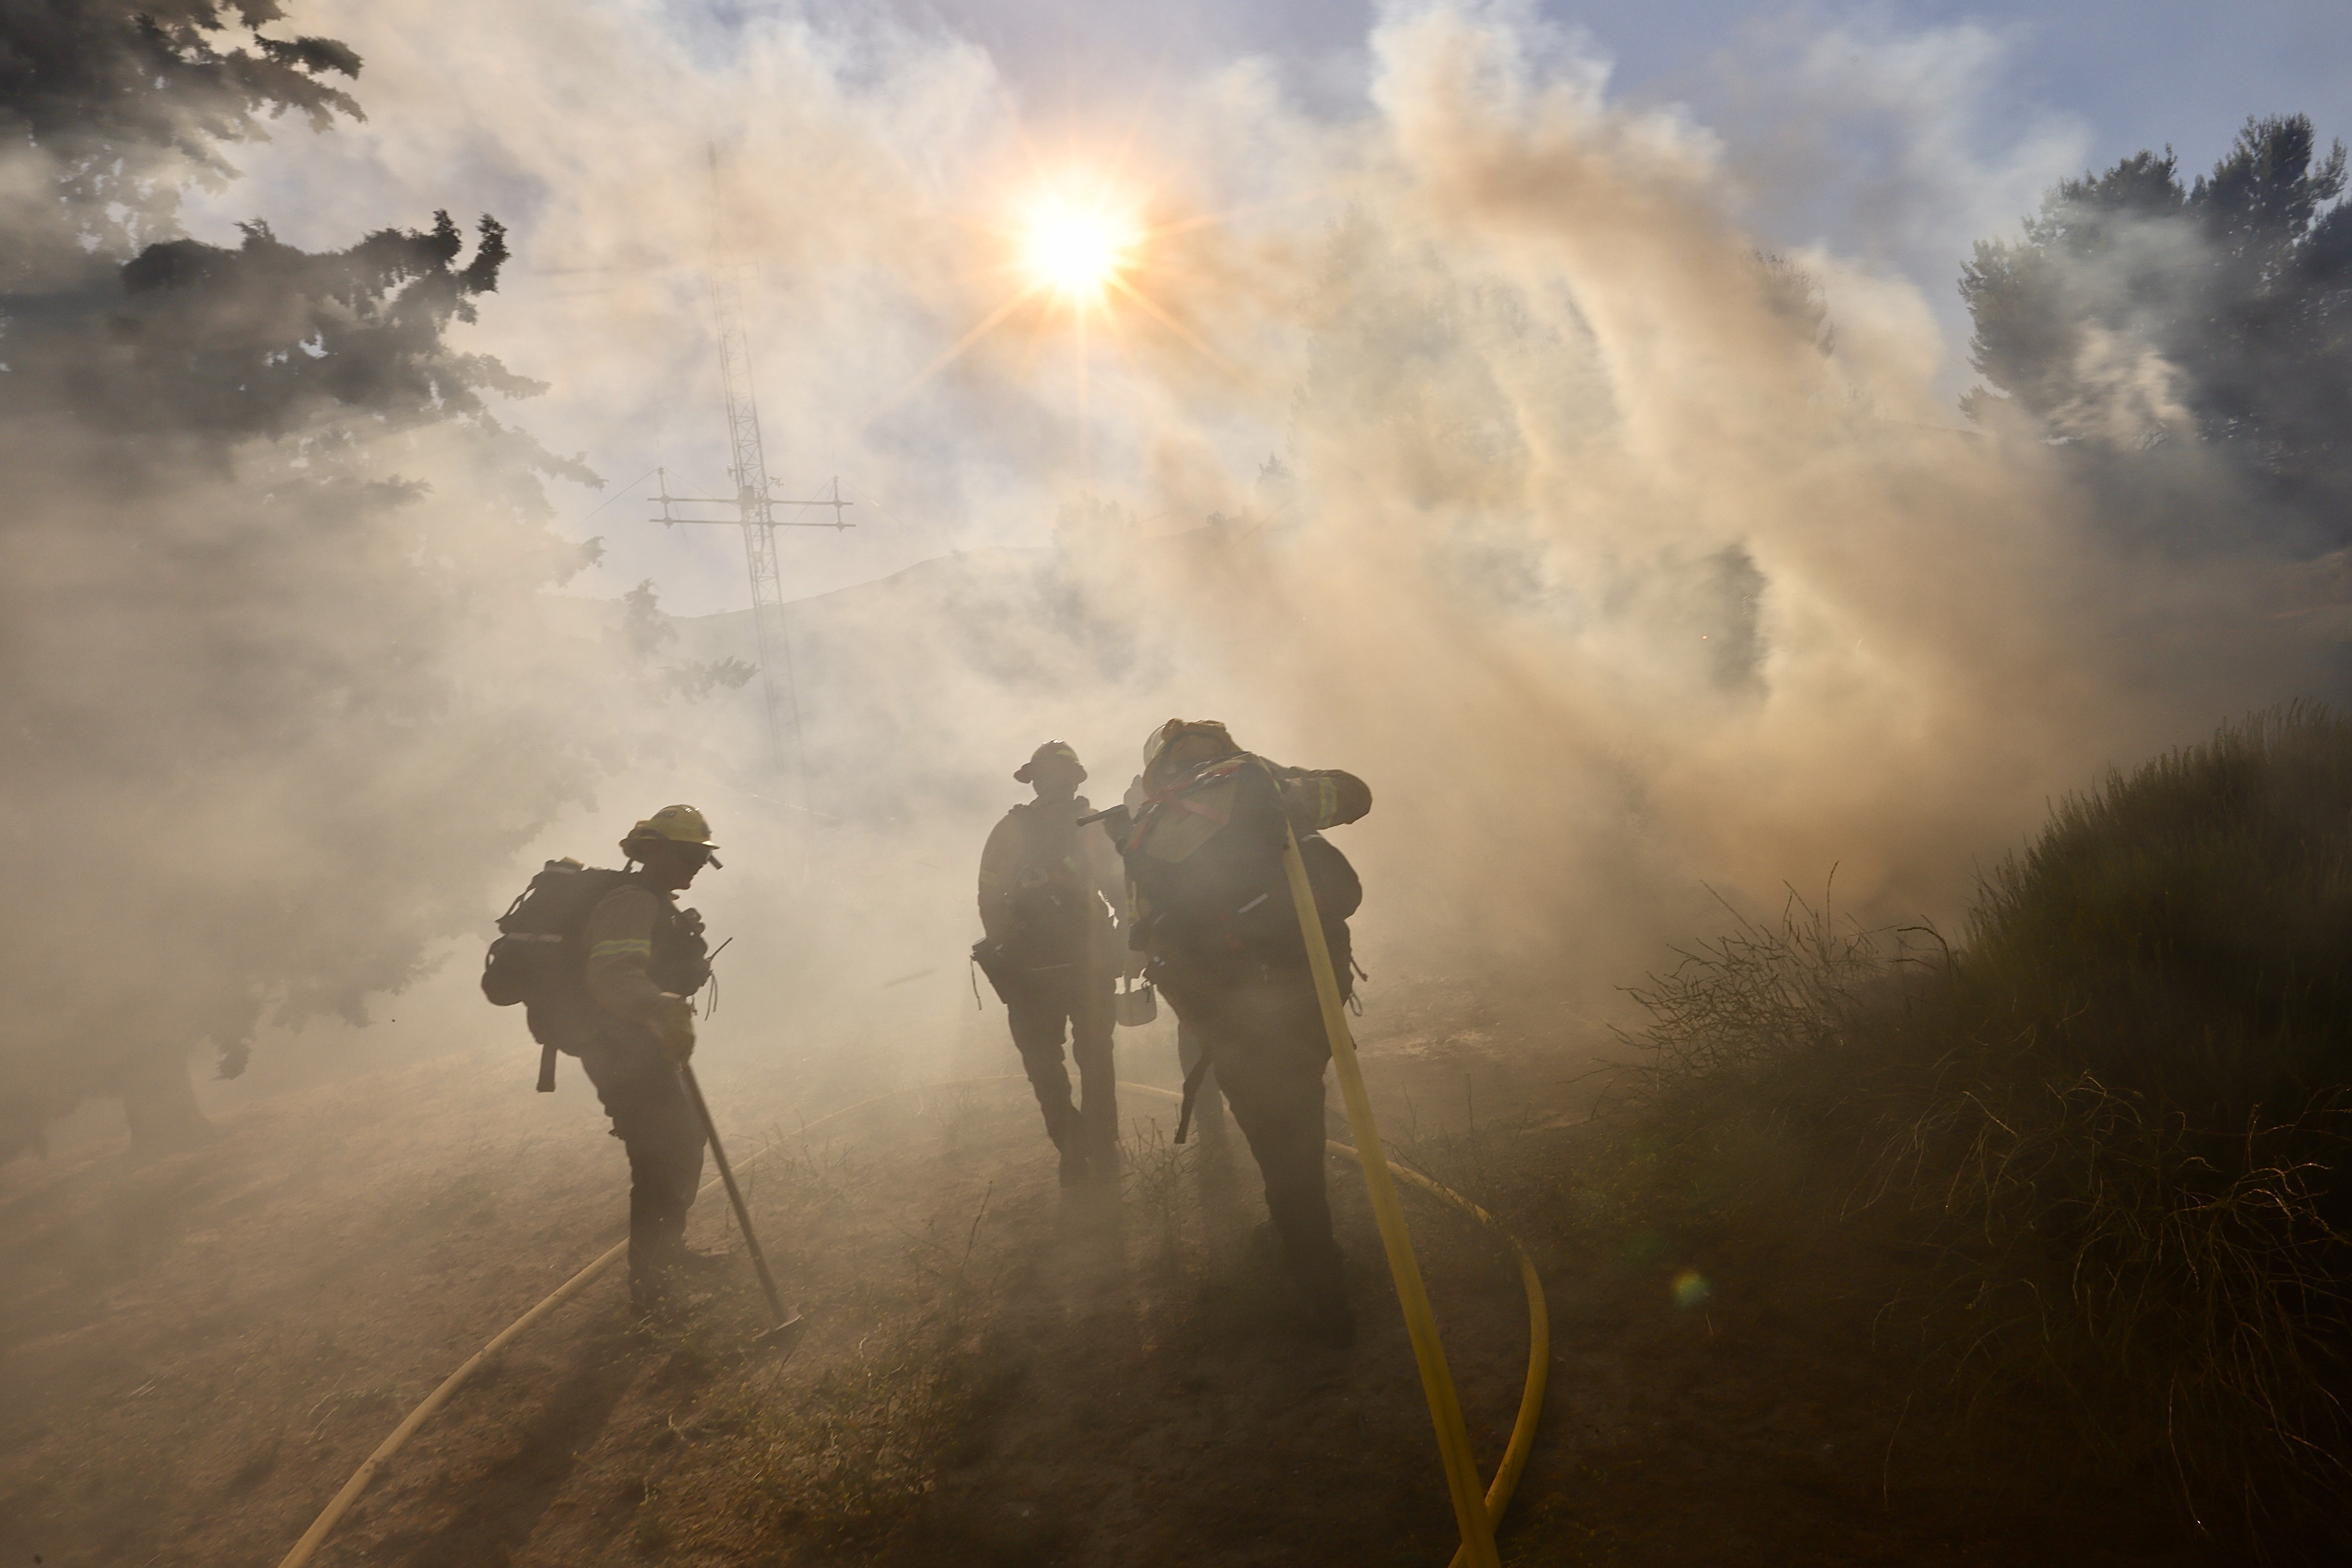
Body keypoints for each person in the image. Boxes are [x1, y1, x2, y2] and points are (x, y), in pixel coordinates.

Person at [1112, 719, 1371, 1345]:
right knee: (1300, 1111)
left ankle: (1321, 1289)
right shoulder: (1259, 780)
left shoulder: (1148, 828)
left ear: (1157, 770)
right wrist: (1300, 791)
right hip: (1309, 991)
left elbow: (1141, 943)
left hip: (1226, 1018)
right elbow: (1357, 794)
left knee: (1280, 1141)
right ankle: (1307, 1237)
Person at [578, 804, 721, 1312]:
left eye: (702, 856)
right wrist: (659, 1006)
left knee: (681, 1142)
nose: (697, 864)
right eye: (688, 854)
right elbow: (613, 978)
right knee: (658, 1154)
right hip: (619, 1048)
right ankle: (651, 1287)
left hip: (641, 1044)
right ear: (653, 851)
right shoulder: (631, 902)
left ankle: (666, 1255)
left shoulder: (657, 903)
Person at [976, 742, 1129, 1186]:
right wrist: (1124, 938)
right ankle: (1100, 1146)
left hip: (1031, 969)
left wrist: (1006, 951)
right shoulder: (1094, 826)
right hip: (1088, 962)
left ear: (1037, 780)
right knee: (1097, 1057)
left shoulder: (1009, 829)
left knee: (1044, 1063)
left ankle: (1072, 1145)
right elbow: (1120, 889)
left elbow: (989, 897)